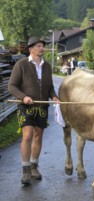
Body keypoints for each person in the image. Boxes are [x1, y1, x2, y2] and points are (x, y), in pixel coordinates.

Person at [8, 36, 60, 185]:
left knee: (38, 136)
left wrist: (54, 97)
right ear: (31, 49)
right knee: (28, 135)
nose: (42, 48)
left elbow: (49, 87)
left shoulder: (47, 66)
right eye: (38, 46)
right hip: (25, 106)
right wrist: (23, 97)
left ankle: (34, 167)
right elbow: (12, 86)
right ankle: (25, 170)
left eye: (42, 46)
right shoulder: (21, 64)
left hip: (42, 107)